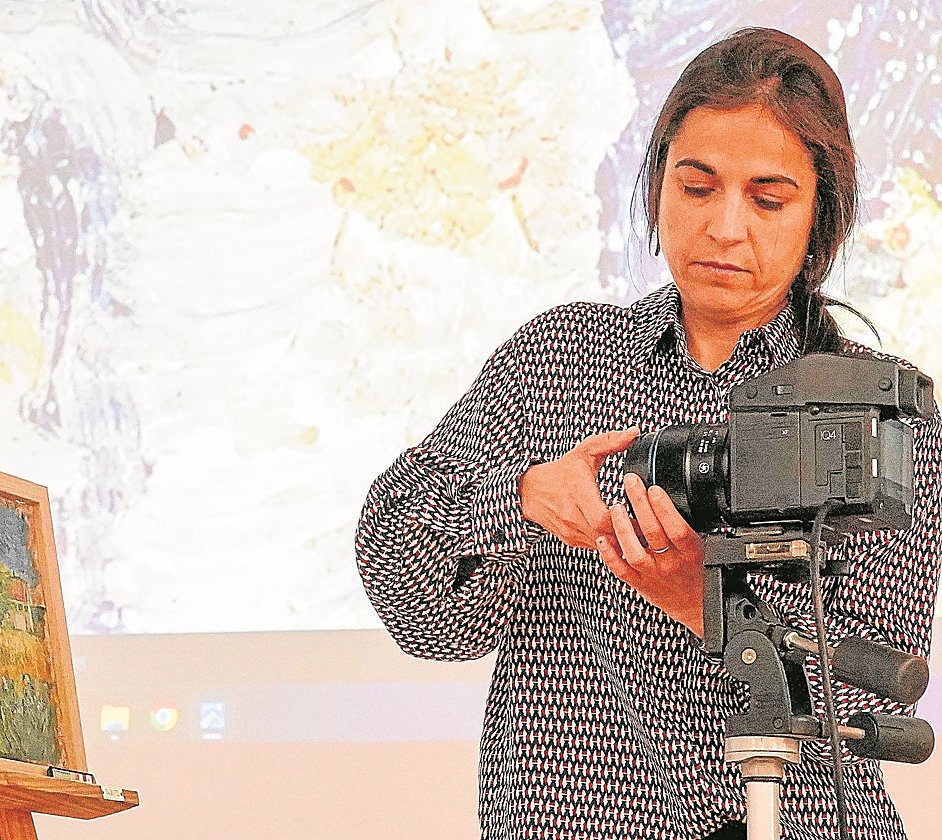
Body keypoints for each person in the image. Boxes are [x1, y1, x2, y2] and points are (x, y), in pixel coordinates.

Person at [355, 27, 941, 840]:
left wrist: (705, 599)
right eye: (696, 187)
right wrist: (523, 498)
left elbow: (884, 692)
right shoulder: (557, 362)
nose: (726, 228)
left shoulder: (874, 404)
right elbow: (411, 598)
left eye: (768, 199)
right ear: (657, 185)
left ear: (822, 215)